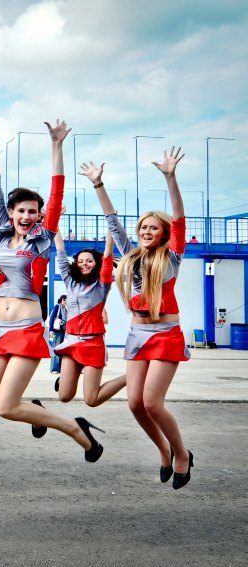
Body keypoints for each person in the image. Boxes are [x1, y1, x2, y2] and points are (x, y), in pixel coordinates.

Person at [0, 118, 104, 463]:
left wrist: (57, 145)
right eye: (21, 211)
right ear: (12, 213)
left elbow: (57, 191)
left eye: (34, 211)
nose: (28, 216)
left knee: (5, 407)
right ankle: (33, 408)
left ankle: (76, 430)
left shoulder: (42, 238)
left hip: (26, 330)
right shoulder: (0, 236)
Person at [87, 147, 194, 489]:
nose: (147, 231)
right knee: (135, 403)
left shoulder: (172, 257)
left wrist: (170, 177)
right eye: (143, 227)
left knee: (151, 401)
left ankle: (181, 454)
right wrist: (99, 185)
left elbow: (178, 218)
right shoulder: (129, 256)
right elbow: (112, 222)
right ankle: (163, 450)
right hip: (137, 334)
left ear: (163, 233)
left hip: (165, 334)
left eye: (153, 228)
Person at [51, 224, 126, 405]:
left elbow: (107, 254)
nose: (85, 263)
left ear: (96, 264)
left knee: (92, 400)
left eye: (89, 260)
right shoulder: (70, 282)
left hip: (93, 344)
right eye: (81, 261)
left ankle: (131, 376)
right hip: (72, 342)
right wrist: (55, 222)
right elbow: (60, 250)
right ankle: (63, 381)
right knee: (64, 396)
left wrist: (110, 227)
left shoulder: (102, 284)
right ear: (76, 264)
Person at [48, 295, 68, 374]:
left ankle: (60, 368)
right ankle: (54, 368)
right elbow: (52, 318)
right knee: (56, 349)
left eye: (66, 300)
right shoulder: (57, 307)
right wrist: (51, 330)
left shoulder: (65, 309)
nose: (65, 301)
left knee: (61, 349)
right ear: (60, 300)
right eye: (64, 300)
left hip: (63, 331)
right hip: (57, 331)